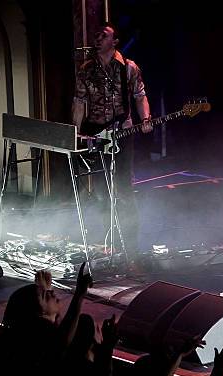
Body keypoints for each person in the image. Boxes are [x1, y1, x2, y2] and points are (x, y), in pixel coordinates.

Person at [72, 22, 152, 262]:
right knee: (98, 190)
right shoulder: (87, 69)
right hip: (96, 134)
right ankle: (103, 243)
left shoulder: (128, 68)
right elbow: (78, 102)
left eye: (103, 35)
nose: (97, 38)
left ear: (115, 41)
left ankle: (130, 244)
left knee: (124, 189)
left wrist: (145, 118)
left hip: (122, 134)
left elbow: (140, 96)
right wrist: (75, 133)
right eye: (96, 35)